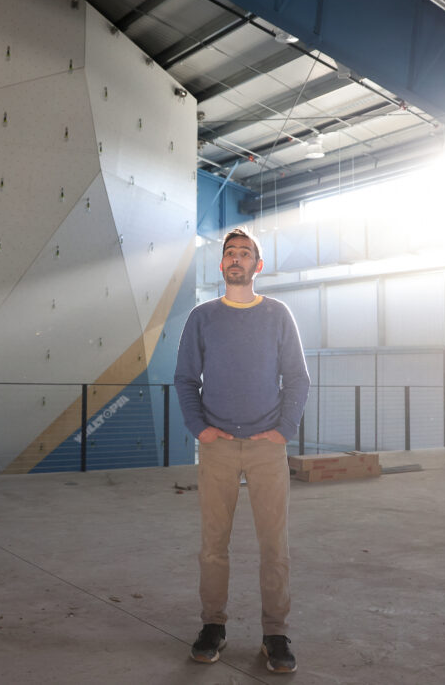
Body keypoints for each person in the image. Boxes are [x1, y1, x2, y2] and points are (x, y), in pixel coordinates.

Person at [174, 226, 310, 674]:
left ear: (258, 265)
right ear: (221, 265)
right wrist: (200, 429)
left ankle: (275, 633)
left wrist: (284, 430)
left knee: (275, 545)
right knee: (213, 545)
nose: (236, 259)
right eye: (230, 253)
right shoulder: (202, 318)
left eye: (245, 253)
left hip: (266, 448)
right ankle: (213, 626)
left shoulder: (278, 315)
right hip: (218, 448)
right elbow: (185, 379)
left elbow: (298, 378)